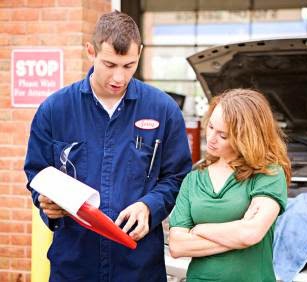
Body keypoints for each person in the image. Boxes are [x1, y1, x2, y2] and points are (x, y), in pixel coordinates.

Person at [24, 11, 192, 281]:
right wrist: (46, 203)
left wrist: (150, 206)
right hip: (74, 266)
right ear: (90, 51)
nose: (119, 77)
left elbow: (177, 177)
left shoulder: (163, 111)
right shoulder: (54, 111)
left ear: (140, 54)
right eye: (110, 64)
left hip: (139, 268)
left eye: (128, 65)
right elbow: (37, 173)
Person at [169, 88, 292, 281]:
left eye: (223, 135)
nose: (211, 138)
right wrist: (238, 234)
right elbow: (177, 246)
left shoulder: (267, 174)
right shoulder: (194, 179)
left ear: (246, 137)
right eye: (210, 127)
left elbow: (250, 234)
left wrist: (202, 230)